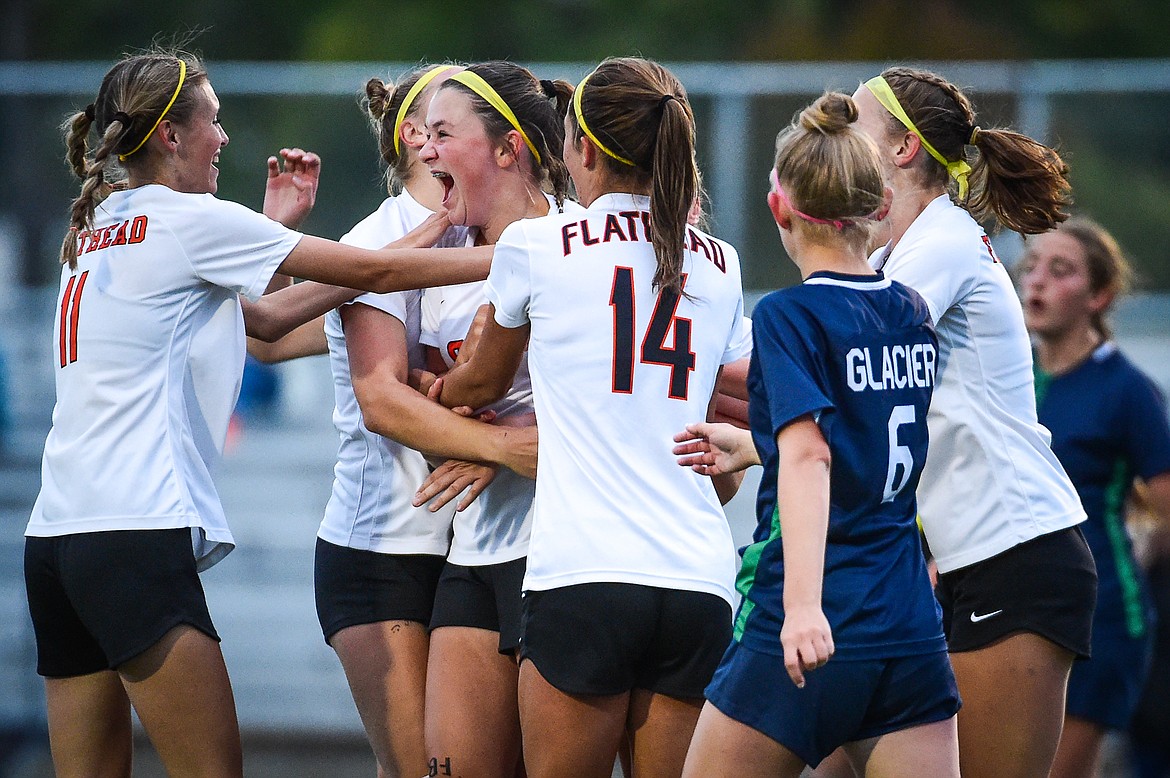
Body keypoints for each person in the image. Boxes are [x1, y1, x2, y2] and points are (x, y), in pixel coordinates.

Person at [21, 49, 491, 778]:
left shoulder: (94, 224)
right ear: (172, 137)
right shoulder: (188, 219)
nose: (225, 138)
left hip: (54, 539)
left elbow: (265, 324)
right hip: (134, 533)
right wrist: (517, 252)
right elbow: (372, 272)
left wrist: (273, 234)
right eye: (213, 120)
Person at [432, 56, 751, 778]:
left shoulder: (534, 246)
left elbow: (481, 378)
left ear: (584, 150)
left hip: (584, 573)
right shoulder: (721, 263)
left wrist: (439, 390)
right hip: (699, 578)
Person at [673, 90, 960, 778]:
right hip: (906, 624)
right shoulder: (912, 310)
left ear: (779, 208)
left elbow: (811, 457)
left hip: (807, 620)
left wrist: (802, 608)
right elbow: (858, 436)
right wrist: (755, 443)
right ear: (880, 208)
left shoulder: (790, 315)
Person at [846, 66, 1097, 778]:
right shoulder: (899, 252)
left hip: (1018, 555)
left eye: (854, 122)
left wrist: (751, 437)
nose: (836, 136)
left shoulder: (943, 242)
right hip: (965, 563)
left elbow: (853, 361)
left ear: (901, 152)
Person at [371, 60, 574, 778]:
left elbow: (621, 396)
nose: (426, 151)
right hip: (475, 548)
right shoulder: (439, 255)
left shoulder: (578, 244)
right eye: (422, 135)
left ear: (507, 148)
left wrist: (499, 440)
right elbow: (403, 399)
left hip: (561, 553)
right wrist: (485, 436)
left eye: (443, 134)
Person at [1017, 218, 1170, 778]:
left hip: (1103, 618)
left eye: (1060, 272)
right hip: (1018, 611)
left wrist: (1139, 552)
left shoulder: (1127, 389)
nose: (1036, 284)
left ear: (1098, 296)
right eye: (1031, 268)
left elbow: (1163, 506)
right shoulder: (1013, 377)